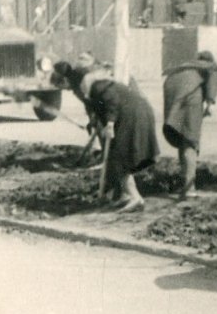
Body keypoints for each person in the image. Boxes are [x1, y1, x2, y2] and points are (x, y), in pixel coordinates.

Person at [53, 60, 160, 212]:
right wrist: (95, 120)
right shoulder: (85, 86)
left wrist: (110, 123)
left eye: (62, 87)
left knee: (118, 156)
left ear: (65, 80)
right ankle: (124, 195)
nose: (66, 90)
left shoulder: (94, 84)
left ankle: (135, 197)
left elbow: (112, 101)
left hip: (132, 113)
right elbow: (96, 105)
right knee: (114, 156)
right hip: (128, 113)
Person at [162, 51, 217, 200]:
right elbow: (213, 81)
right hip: (190, 100)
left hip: (172, 99)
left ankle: (185, 182)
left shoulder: (183, 68)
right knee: (191, 142)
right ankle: (189, 188)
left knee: (182, 139)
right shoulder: (210, 66)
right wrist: (210, 104)